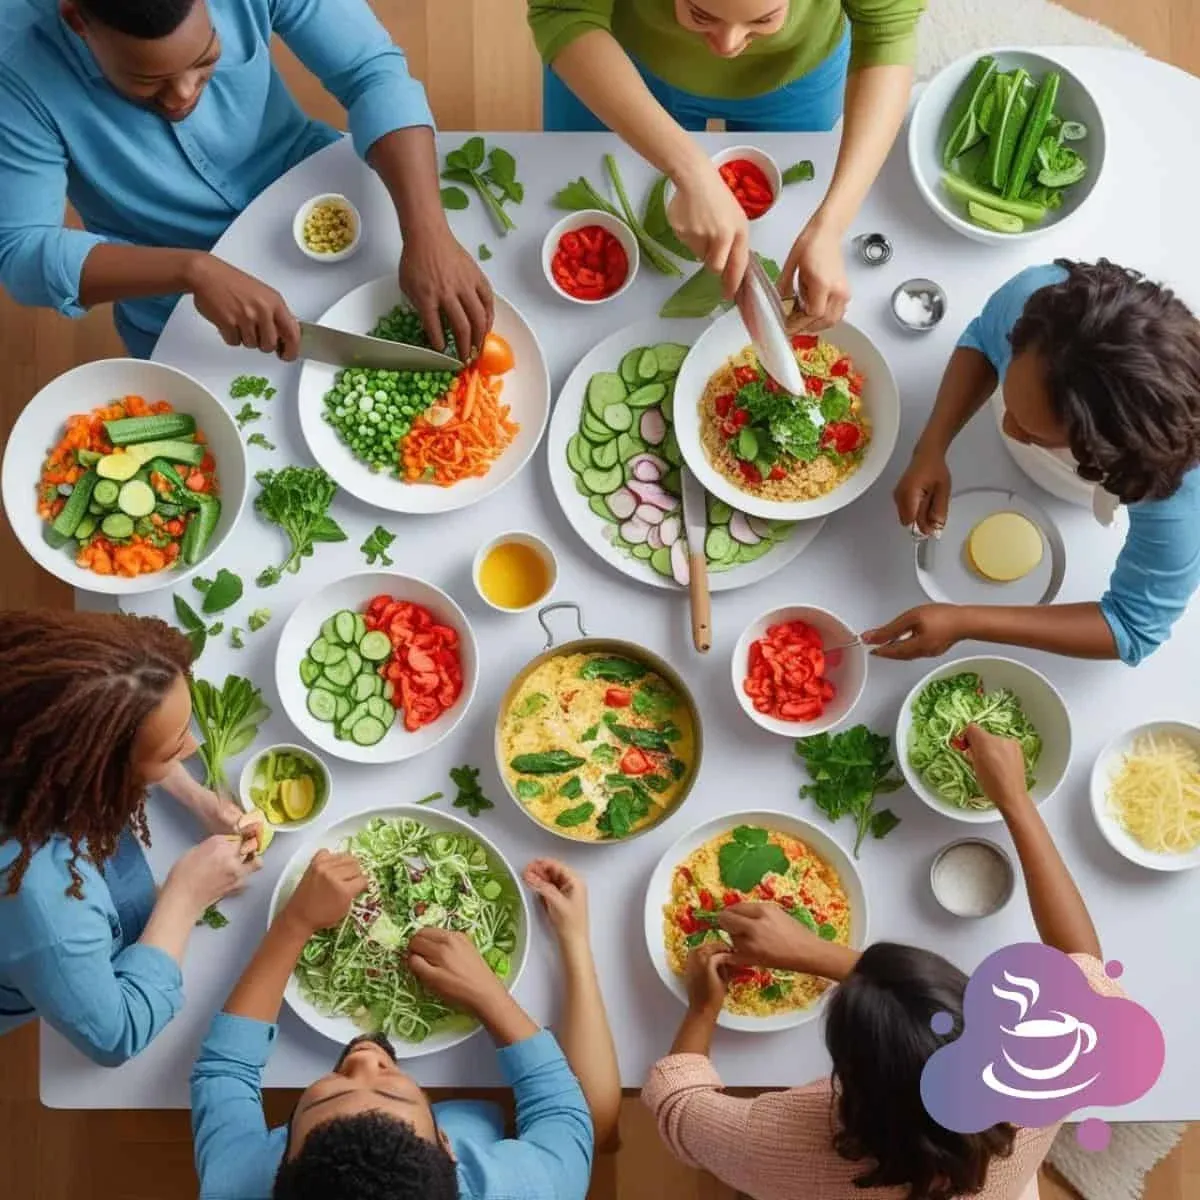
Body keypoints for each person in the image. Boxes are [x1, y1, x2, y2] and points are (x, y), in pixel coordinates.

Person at [643, 724, 1123, 1200]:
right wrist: (1015, 800)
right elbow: (1083, 963)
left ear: (847, 1078)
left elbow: (676, 1105)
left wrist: (703, 1009)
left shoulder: (789, 1146)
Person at [0, 0, 491, 360]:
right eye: (147, 82)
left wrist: (427, 232)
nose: (182, 96)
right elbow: (22, 252)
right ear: (78, 20)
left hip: (324, 197)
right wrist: (191, 271)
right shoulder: (14, 64)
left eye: (205, 59)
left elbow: (372, 72)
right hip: (175, 298)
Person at [190, 854, 620, 1199]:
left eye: (332, 1094)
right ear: (448, 1148)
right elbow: (562, 1112)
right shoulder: (532, 1187)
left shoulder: (234, 1184)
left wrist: (295, 922)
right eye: (391, 1089)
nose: (364, 1060)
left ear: (281, 1160)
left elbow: (225, 1070)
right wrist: (490, 997)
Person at [864, 260, 1200, 667]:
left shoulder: (1177, 491)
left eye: (1034, 431)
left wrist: (966, 621)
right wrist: (931, 448)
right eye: (1012, 396)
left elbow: (1131, 627)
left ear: (1114, 455)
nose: (1009, 426)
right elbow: (986, 339)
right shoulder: (1040, 297)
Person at [528, 0, 926, 323]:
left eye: (764, 19)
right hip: (624, 61)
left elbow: (888, 33)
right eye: (700, 14)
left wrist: (831, 225)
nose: (728, 46)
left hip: (793, 74)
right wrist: (689, 169)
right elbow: (563, 11)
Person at [0, 610, 263, 1065]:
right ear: (96, 769)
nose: (191, 748)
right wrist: (184, 898)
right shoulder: (43, 906)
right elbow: (115, 1036)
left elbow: (127, 730)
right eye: (175, 745)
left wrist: (197, 798)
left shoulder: (27, 730)